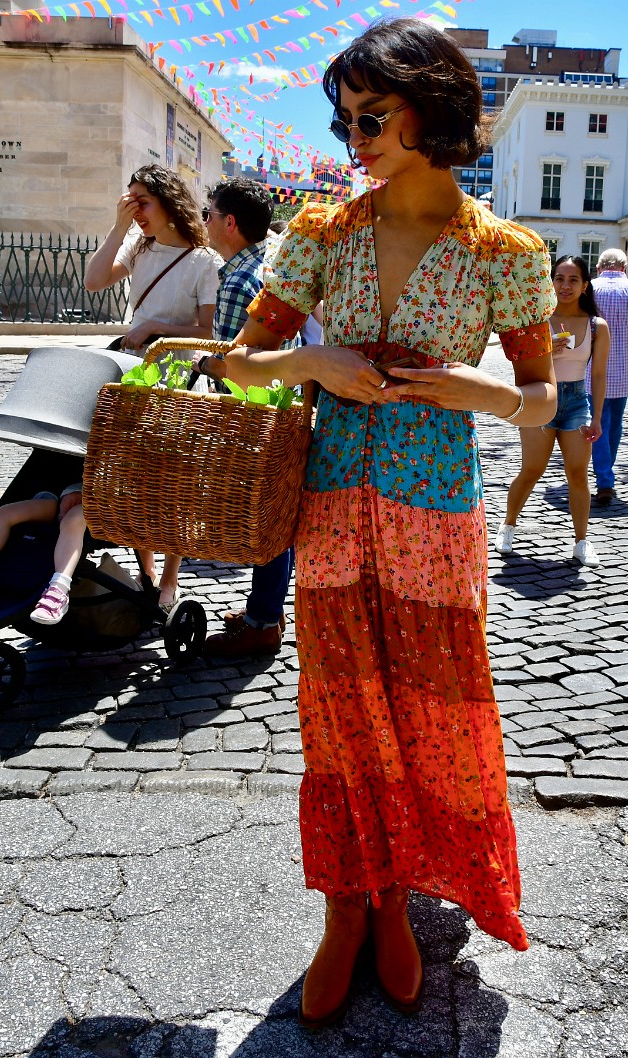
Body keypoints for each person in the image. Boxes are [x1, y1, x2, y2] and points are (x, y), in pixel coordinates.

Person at [223, 17, 557, 1028]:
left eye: (371, 114)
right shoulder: (326, 232)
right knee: (339, 719)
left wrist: (477, 389)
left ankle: (400, 898)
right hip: (329, 514)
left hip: (435, 518)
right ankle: (344, 907)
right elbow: (236, 363)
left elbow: (543, 400)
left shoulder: (504, 250)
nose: (351, 135)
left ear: (431, 109)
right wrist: (311, 364)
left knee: (425, 718)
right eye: (343, 118)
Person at [84, 165, 222, 610]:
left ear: (168, 202)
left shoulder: (205, 261)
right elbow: (94, 281)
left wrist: (158, 328)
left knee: (177, 484)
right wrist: (119, 225)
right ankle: (144, 573)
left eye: (142, 201)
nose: (136, 210)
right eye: (130, 201)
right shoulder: (139, 248)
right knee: (133, 479)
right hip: (137, 376)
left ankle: (169, 579)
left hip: (181, 382)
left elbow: (208, 331)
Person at [190, 178, 294, 657]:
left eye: (209, 214)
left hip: (250, 416)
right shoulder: (265, 265)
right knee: (276, 515)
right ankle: (266, 607)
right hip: (277, 410)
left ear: (230, 223)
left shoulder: (237, 279)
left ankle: (263, 621)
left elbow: (237, 363)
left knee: (263, 517)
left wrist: (205, 365)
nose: (205, 222)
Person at [496, 255, 609, 566]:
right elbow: (520, 364)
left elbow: (598, 375)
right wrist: (546, 351)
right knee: (532, 469)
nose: (565, 286)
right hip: (542, 396)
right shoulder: (539, 320)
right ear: (551, 282)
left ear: (585, 285)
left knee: (578, 473)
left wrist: (598, 417)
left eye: (573, 280)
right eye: (559, 278)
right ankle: (508, 525)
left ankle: (582, 541)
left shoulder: (596, 326)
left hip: (576, 401)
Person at [587, 248, 628, 506]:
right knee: (615, 423)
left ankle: (605, 479)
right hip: (625, 369)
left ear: (599, 266)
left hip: (592, 368)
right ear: (625, 267)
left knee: (598, 422)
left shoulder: (590, 289)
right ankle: (606, 474)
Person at [0, 485, 87, 625]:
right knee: (6, 512)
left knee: (73, 520)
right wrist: (73, 492)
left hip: (106, 502)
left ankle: (59, 590)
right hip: (77, 493)